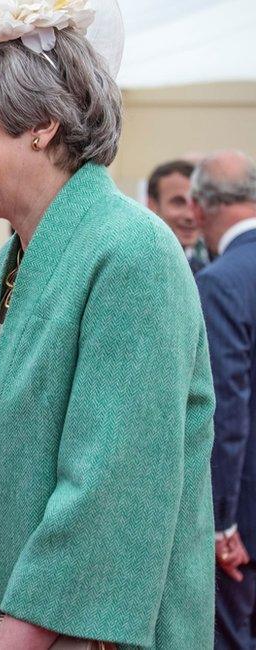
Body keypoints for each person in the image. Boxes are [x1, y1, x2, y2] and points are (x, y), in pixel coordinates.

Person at [0, 0, 216, 647]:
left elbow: (114, 488)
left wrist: (12, 635)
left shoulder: (132, 252)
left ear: (40, 123)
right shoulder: (16, 256)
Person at [191, 150, 256, 649]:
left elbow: (225, 411)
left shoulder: (221, 282)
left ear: (198, 208)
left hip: (244, 518)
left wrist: (220, 518)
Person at [148, 159, 208, 273]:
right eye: (178, 202)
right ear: (152, 205)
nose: (190, 216)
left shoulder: (206, 273)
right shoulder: (135, 266)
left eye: (196, 202)